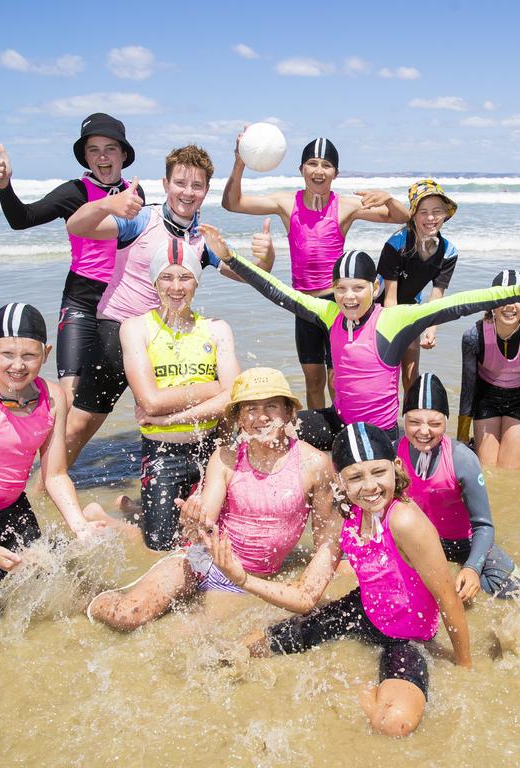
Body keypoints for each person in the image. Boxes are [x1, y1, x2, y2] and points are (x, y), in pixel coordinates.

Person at [206, 423, 472, 736]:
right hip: (362, 610)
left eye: (378, 473)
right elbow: (306, 596)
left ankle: (346, 680)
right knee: (245, 650)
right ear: (340, 483)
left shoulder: (404, 520)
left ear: (396, 467)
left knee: (393, 725)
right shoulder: (345, 521)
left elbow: (447, 598)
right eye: (355, 477)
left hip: (407, 636)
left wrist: (465, 668)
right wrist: (243, 579)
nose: (369, 486)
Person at [216, 247, 520, 450]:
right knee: (274, 428)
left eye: (358, 288)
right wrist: (231, 258)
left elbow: (457, 304)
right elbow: (282, 294)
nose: (349, 297)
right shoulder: (329, 312)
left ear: (376, 285)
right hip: (339, 420)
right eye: (341, 288)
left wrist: (516, 294)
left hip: (380, 433)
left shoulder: (394, 320)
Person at [62, 145, 275, 467]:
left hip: (167, 338)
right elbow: (76, 227)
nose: (188, 192)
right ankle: (45, 482)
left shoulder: (202, 239)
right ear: (165, 184)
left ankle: (182, 485)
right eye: (180, 183)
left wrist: (266, 256)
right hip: (118, 329)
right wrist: (107, 203)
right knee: (82, 423)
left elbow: (251, 277)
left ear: (206, 191)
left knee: (174, 421)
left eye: (197, 185)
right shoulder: (141, 220)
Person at [86, 368, 340, 629]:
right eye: (250, 408)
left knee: (198, 640)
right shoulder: (226, 458)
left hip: (246, 577)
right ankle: (89, 599)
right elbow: (205, 517)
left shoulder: (314, 465)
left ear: (289, 412)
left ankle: (119, 519)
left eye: (272, 406)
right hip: (200, 559)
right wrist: (194, 518)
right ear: (239, 417)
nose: (261, 417)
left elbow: (325, 543)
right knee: (129, 616)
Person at [0, 303, 110, 627]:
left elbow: (54, 474)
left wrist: (79, 525)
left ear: (46, 352)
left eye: (29, 356)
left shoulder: (53, 399)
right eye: (7, 354)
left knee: (42, 593)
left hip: (13, 507)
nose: (17, 365)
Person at [222, 132, 409, 409]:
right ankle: (320, 437)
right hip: (304, 305)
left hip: (338, 305)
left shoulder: (345, 206)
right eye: (312, 163)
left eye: (326, 165)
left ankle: (344, 433)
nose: (319, 171)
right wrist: (240, 162)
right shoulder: (286, 203)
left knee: (338, 379)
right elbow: (232, 203)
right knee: (313, 381)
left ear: (335, 172)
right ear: (301, 170)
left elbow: (403, 218)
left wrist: (389, 198)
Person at [0, 113, 143, 423]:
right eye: (93, 149)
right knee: (68, 395)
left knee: (123, 385)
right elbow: (23, 219)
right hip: (82, 301)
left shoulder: (135, 193)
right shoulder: (73, 192)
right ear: (85, 156)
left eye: (110, 148)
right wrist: (5, 187)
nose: (102, 156)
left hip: (120, 303)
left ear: (124, 154)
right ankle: (44, 454)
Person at [118, 236, 240, 551]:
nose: (176, 287)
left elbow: (235, 398)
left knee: (215, 542)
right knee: (159, 547)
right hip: (162, 453)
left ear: (196, 282)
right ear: (155, 281)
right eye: (167, 277)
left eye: (185, 277)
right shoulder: (136, 329)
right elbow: (150, 401)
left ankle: (138, 509)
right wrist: (213, 388)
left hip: (211, 450)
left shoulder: (216, 329)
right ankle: (129, 516)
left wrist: (172, 417)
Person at [398, 373, 515, 598]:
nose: (424, 432)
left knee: (513, 589)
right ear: (403, 420)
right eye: (414, 422)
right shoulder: (394, 452)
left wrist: (472, 568)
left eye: (434, 423)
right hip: (420, 541)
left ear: (446, 421)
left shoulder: (462, 459)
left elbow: (484, 526)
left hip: (463, 542)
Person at [457, 269, 520, 469]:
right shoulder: (474, 337)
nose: (510, 305)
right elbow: (468, 387)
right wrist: (462, 437)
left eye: (517, 298)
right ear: (491, 303)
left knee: (508, 470)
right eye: (503, 297)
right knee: (487, 470)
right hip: (486, 397)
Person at [378, 180, 459, 392]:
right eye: (423, 212)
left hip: (412, 307)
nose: (430, 218)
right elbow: (390, 296)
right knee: (386, 372)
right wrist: (390, 336)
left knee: (411, 374)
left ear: (445, 215)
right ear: (413, 214)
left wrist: (431, 329)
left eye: (436, 211)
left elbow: (437, 293)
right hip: (378, 308)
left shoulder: (449, 252)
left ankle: (409, 422)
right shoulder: (397, 244)